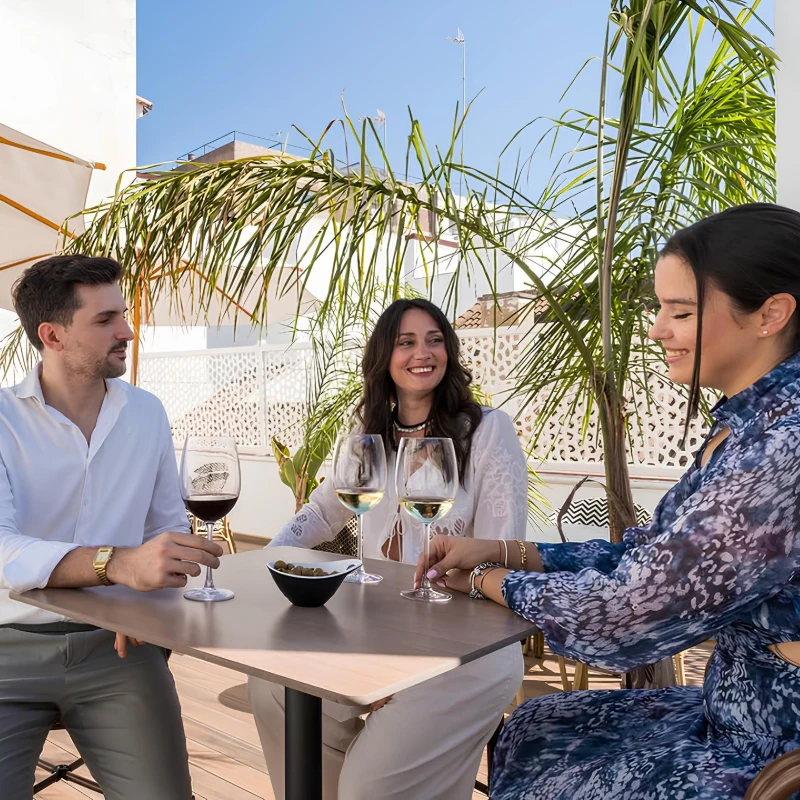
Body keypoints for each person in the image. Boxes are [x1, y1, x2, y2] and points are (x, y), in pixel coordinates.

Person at [415, 203, 800, 800]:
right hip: (727, 709)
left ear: (770, 314)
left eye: (682, 312)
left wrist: (486, 579)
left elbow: (629, 611)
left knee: (548, 768)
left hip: (772, 750)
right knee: (533, 726)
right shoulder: (748, 424)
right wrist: (506, 552)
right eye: (659, 309)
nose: (656, 329)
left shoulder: (782, 444)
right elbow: (645, 557)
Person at [249, 297, 529, 800]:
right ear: (385, 357)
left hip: (468, 647)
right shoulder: (366, 430)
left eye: (434, 340)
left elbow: (500, 553)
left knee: (369, 788)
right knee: (272, 687)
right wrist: (264, 559)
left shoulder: (487, 431)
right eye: (406, 342)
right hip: (380, 633)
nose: (423, 352)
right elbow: (322, 511)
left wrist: (405, 671)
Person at [0, 255, 223, 799]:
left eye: (122, 314)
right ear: (51, 335)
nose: (127, 331)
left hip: (118, 650)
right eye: (105, 321)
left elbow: (166, 529)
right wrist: (118, 565)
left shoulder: (146, 412)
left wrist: (147, 607)